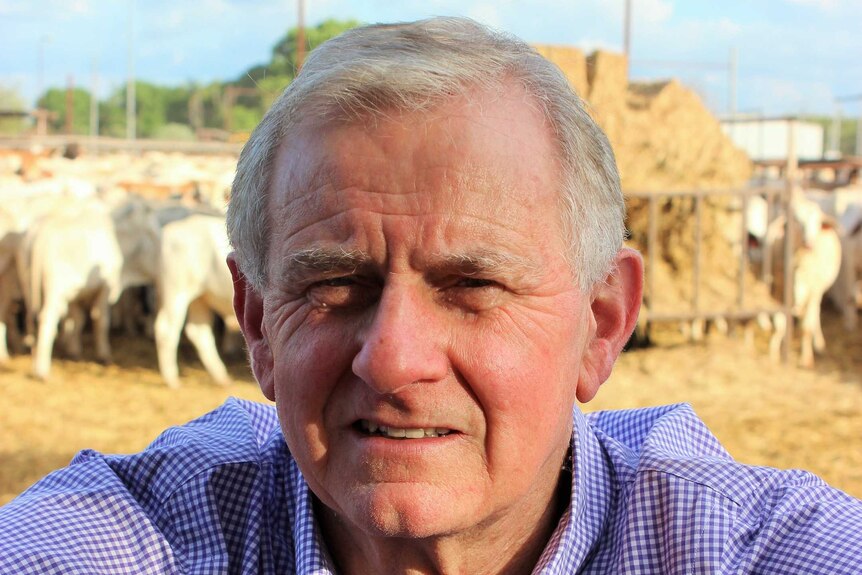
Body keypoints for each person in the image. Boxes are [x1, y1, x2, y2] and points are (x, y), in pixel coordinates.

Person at [1, 17, 860, 575]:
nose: (394, 357)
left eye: (473, 285)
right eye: (334, 284)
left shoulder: (742, 548)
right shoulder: (140, 539)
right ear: (257, 323)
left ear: (601, 324)